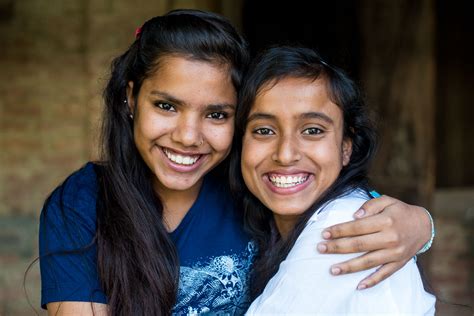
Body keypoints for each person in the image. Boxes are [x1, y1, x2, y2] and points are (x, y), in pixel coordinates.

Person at [38, 9, 433, 316]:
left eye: (216, 114)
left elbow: (332, 210)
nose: (188, 136)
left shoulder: (251, 184)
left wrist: (418, 225)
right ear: (130, 98)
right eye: (166, 106)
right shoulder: (83, 202)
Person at [230, 46, 436, 314]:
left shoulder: (340, 230)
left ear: (345, 147)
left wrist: (425, 226)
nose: (285, 154)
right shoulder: (266, 223)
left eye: (313, 130)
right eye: (264, 130)